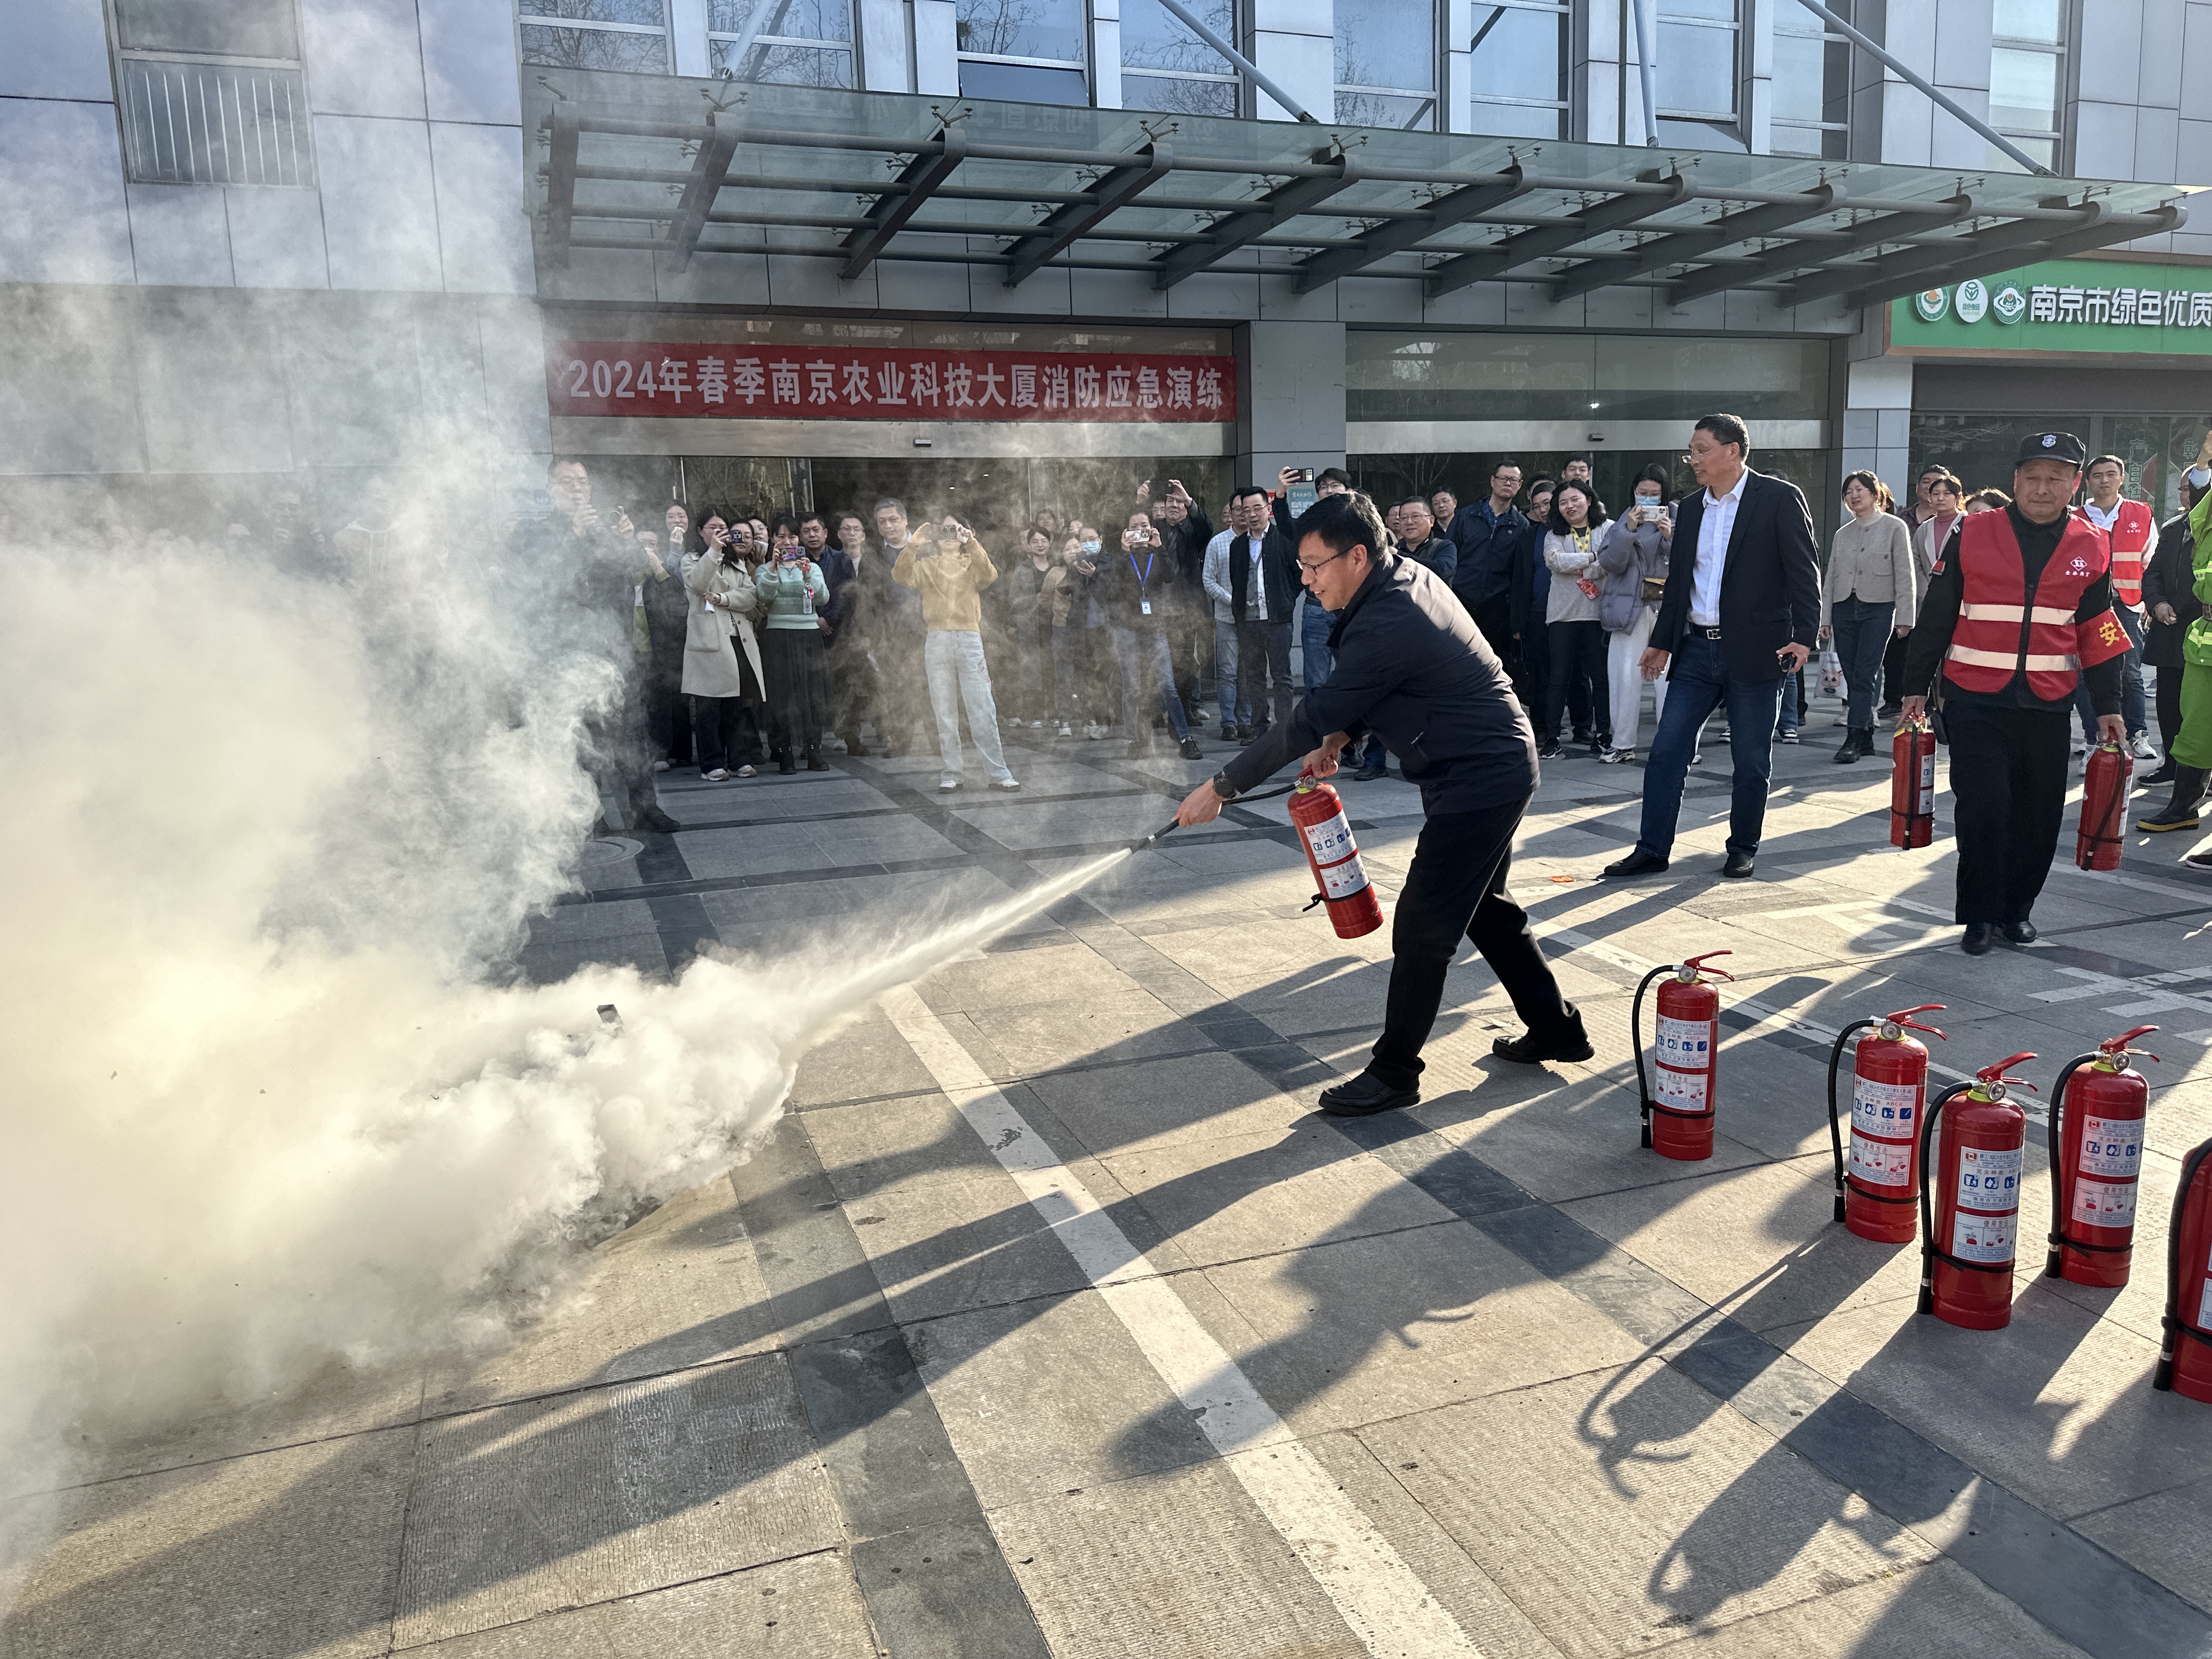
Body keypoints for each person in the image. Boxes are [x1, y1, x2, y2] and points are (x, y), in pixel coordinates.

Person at [1170, 491, 1588, 1117]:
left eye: (1314, 566)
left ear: (1358, 556)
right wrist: (1342, 736)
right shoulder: (1397, 580)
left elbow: (1311, 714)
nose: (1307, 581)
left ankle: (1395, 1073)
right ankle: (1556, 1029)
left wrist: (1222, 786)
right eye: (1301, 567)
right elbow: (1382, 687)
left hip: (1482, 777)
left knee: (1423, 926)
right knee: (1488, 910)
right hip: (1481, 764)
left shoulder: (1393, 614)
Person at [1900, 431, 2131, 952]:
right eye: (2033, 477)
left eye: (2056, 478)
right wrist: (1915, 687)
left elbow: (2099, 631)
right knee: (1984, 807)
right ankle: (1979, 915)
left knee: (2038, 814)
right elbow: (1937, 613)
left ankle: (2016, 911)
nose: (2043, 488)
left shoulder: (2093, 543)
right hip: (1974, 698)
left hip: (2048, 704)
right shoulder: (1973, 531)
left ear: (2075, 484)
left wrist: (2109, 707)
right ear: (2016, 480)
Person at [1604, 414, 1820, 880]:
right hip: (1696, 651)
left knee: (1751, 759)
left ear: (1733, 451)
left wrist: (1804, 636)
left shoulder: (1779, 498)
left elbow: (1805, 572)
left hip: (1757, 650)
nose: (1694, 460)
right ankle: (1652, 849)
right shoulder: (1690, 508)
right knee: (1667, 751)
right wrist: (1662, 643)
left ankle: (1743, 847)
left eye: (1702, 450)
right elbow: (1679, 582)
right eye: (1691, 452)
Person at [541, 458, 682, 833]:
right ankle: (590, 817)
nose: (577, 488)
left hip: (616, 648)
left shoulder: (602, 530)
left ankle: (646, 808)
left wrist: (625, 540)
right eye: (568, 482)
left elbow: (638, 568)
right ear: (551, 489)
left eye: (582, 482)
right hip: (567, 652)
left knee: (632, 730)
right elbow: (542, 582)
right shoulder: (537, 534)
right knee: (579, 735)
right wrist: (573, 534)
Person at [893, 514, 1023, 792]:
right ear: (935, 535)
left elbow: (989, 576)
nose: (949, 535)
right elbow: (900, 576)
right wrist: (913, 545)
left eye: (955, 529)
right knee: (944, 711)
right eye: (944, 530)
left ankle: (998, 773)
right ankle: (952, 773)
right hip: (937, 638)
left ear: (965, 532)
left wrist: (972, 543)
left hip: (969, 639)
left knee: (983, 707)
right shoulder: (927, 564)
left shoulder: (971, 561)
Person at [2138, 441, 2212, 836]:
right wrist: (2157, 603)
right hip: (2190, 637)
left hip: (2198, 629)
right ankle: (2181, 797)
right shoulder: (2182, 527)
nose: (2190, 495)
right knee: (2184, 716)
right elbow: (2151, 575)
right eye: (2185, 488)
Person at [1819, 470, 1917, 763]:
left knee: (1865, 673)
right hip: (1844, 607)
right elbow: (1831, 577)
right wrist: (1825, 618)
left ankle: (1853, 738)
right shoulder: (1842, 533)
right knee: (1852, 675)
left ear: (1875, 494)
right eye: (1848, 492)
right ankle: (1866, 737)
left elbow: (1905, 574)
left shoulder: (1895, 527)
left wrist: (1906, 616)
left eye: (1860, 490)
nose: (1854, 495)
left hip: (1879, 607)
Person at [1096, 509, 1205, 759]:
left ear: (1151, 528)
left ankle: (1185, 739)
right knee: (1132, 688)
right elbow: (1112, 589)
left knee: (1168, 686)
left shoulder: (1157, 555)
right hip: (1128, 629)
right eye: (1134, 526)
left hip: (1155, 629)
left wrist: (1160, 547)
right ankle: (1135, 739)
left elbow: (1170, 577)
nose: (1139, 530)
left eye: (1144, 525)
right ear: (1126, 531)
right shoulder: (1120, 559)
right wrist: (1124, 552)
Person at [2073, 454, 2157, 763]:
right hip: (2086, 606)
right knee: (2086, 672)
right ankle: (2094, 739)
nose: (2105, 480)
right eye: (2098, 475)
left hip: (2127, 603)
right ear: (2087, 481)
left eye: (2111, 474)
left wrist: (2149, 600)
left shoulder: (2140, 513)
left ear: (2122, 478)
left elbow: (2151, 559)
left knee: (2130, 672)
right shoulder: (2076, 517)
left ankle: (2137, 734)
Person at [1203, 486, 1296, 747]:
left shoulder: (1283, 539)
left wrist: (1287, 600)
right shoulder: (1238, 545)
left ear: (1268, 509)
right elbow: (1237, 580)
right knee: (1253, 677)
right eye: (1246, 510)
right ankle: (1260, 727)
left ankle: (1285, 730)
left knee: (1282, 677)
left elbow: (1298, 576)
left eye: (1258, 508)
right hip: (1248, 622)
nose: (1252, 515)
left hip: (1278, 620)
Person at [1595, 466, 1673, 764]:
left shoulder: (1678, 519)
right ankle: (1621, 743)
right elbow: (1610, 563)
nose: (1649, 499)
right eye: (1643, 493)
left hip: (1666, 605)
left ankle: (1675, 743)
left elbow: (1691, 562)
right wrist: (1628, 530)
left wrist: (1669, 536)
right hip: (1629, 607)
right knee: (1625, 675)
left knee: (1671, 678)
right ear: (1634, 493)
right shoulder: (1621, 523)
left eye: (1655, 494)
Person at [680, 509, 765, 783]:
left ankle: (739, 760)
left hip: (738, 639)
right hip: (708, 641)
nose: (720, 532)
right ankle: (711, 764)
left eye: (723, 528)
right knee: (708, 707)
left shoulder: (736, 561)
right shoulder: (692, 559)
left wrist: (722, 598)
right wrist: (714, 552)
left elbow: (750, 596)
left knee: (736, 705)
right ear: (701, 531)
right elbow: (697, 585)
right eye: (713, 528)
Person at [1538, 481, 1612, 761]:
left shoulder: (1608, 528)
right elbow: (1554, 561)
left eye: (1575, 499)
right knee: (1558, 679)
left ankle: (1603, 734)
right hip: (1563, 615)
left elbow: (1612, 561)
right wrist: (1593, 557)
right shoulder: (1553, 534)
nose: (1569, 506)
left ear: (1589, 500)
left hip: (1598, 614)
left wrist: (1583, 566)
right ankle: (1553, 738)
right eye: (1563, 502)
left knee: (1601, 679)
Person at [754, 519, 834, 774]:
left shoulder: (812, 567)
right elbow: (764, 596)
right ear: (773, 540)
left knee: (812, 696)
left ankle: (814, 752)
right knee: (781, 696)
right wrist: (774, 568)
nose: (787, 542)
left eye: (792, 537)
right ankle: (784, 753)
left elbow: (822, 598)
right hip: (778, 637)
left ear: (799, 540)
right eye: (780, 537)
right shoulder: (764, 569)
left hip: (809, 636)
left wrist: (808, 574)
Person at [1892, 473, 1960, 718]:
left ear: (1958, 497)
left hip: (1960, 600)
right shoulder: (1924, 529)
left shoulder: (1968, 523)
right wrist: (1929, 592)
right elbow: (1916, 563)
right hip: (1929, 599)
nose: (1941, 498)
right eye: (1936, 494)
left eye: (1947, 494)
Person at [871, 499, 935, 757]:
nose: (888, 526)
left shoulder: (928, 549)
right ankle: (900, 742)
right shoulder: (874, 554)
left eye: (894, 520)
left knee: (933, 686)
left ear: (906, 520)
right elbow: (868, 598)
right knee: (897, 689)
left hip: (927, 629)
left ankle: (939, 742)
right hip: (891, 633)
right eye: (882, 522)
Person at [1447, 461, 1526, 663]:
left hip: (1497, 607)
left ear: (1520, 485)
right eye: (1503, 478)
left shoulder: (1521, 526)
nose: (1507, 483)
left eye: (1513, 480)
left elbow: (1519, 573)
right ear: (1493, 481)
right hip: (1461, 600)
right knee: (1457, 658)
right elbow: (1449, 555)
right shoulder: (1466, 516)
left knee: (1492, 661)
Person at [638, 518, 692, 771]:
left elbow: (678, 604)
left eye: (653, 545)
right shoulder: (626, 575)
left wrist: (659, 569)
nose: (648, 550)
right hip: (636, 646)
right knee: (652, 701)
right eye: (642, 545)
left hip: (666, 646)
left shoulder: (663, 573)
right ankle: (658, 753)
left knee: (676, 698)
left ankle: (682, 752)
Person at [1003, 528, 1057, 728]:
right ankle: (1035, 714)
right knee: (1032, 671)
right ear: (1028, 545)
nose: (1040, 545)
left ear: (1050, 543)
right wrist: (1035, 599)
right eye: (1035, 541)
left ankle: (1055, 714)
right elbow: (1014, 600)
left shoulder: (1057, 567)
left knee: (1053, 670)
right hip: (1030, 627)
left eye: (1044, 540)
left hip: (1055, 626)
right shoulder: (1022, 570)